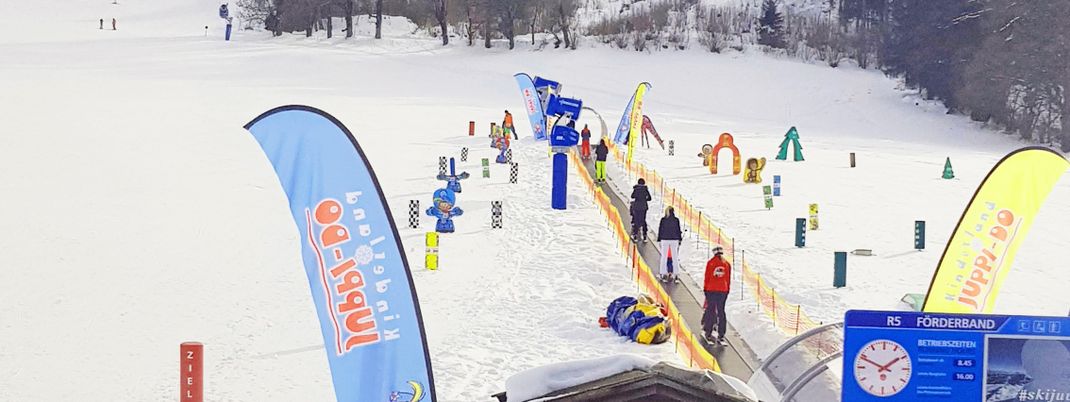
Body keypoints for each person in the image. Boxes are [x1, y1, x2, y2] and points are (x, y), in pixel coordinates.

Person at [702, 246, 731, 344]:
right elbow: (728, 278)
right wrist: (727, 290)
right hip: (723, 290)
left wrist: (705, 289)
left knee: (711, 310)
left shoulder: (711, 263)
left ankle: (708, 331)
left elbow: (707, 276)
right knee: (721, 311)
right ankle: (721, 333)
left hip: (711, 289)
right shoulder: (727, 264)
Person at [657, 207, 682, 282]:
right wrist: (679, 239)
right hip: (674, 239)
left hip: (665, 239)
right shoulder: (676, 220)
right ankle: (676, 274)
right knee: (675, 257)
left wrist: (659, 239)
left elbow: (660, 229)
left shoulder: (663, 220)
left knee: (664, 257)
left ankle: (663, 273)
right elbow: (678, 230)